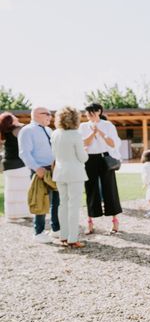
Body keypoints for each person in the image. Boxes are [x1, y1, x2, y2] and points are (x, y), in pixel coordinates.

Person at [79, 103, 123, 234]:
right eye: (87, 113)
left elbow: (113, 143)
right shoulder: (83, 126)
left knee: (109, 187)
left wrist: (100, 132)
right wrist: (92, 133)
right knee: (90, 189)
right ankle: (90, 222)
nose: (89, 115)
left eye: (91, 112)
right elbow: (84, 143)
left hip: (105, 158)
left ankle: (115, 220)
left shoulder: (108, 125)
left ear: (99, 111)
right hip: (89, 159)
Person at [18, 106, 60, 243]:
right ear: (36, 114)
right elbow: (24, 153)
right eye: (47, 114)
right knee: (40, 200)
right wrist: (37, 168)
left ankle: (56, 229)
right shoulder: (27, 130)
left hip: (53, 170)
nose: (50, 116)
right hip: (40, 171)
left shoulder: (49, 130)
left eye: (50, 114)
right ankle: (39, 232)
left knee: (56, 200)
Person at [51, 106, 88, 248]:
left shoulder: (55, 134)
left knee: (63, 204)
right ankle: (73, 239)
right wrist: (86, 151)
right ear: (75, 119)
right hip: (75, 173)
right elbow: (83, 158)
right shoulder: (76, 135)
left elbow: (54, 154)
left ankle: (64, 236)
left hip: (60, 172)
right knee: (74, 206)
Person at [1, 112, 31, 221]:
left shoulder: (6, 131)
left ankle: (12, 215)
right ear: (11, 120)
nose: (16, 117)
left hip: (8, 164)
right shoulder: (18, 129)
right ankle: (23, 213)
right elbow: (28, 129)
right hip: (18, 164)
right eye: (14, 117)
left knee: (11, 191)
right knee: (23, 190)